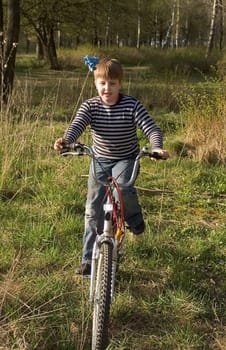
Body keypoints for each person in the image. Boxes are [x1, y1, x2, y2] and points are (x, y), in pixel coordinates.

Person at [54, 58, 169, 276]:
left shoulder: (131, 105)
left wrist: (157, 147)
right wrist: (66, 141)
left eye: (113, 84)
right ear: (96, 83)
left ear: (120, 84)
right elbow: (77, 125)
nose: (107, 89)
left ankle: (135, 221)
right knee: (92, 211)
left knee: (121, 189)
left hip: (125, 159)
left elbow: (152, 128)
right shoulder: (90, 106)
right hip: (99, 160)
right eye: (103, 83)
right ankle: (88, 260)